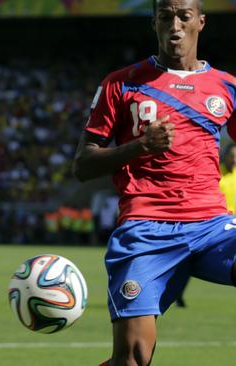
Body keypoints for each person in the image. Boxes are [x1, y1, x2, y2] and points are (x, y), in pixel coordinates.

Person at [73, 1, 236, 365]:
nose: (175, 25)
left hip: (212, 226)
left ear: (200, 22)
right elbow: (82, 165)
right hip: (147, 229)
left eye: (184, 16)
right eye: (165, 17)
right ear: (154, 23)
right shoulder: (121, 83)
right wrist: (140, 147)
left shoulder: (227, 87)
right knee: (132, 359)